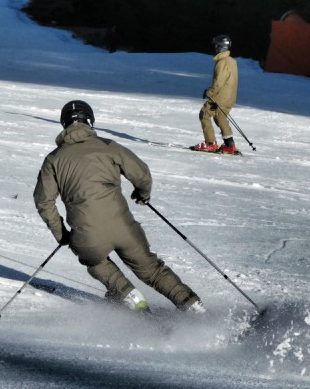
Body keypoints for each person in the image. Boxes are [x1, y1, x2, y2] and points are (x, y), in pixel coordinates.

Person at [33, 100, 205, 313]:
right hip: (124, 227)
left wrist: (62, 235)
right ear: (90, 122)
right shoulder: (109, 146)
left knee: (95, 261)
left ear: (64, 124)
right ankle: (193, 307)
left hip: (87, 234)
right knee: (152, 270)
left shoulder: (53, 159)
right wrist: (142, 195)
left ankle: (130, 297)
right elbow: (141, 174)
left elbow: (43, 200)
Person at [193, 35, 239, 154]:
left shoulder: (222, 62)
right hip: (230, 97)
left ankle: (210, 144)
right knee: (220, 116)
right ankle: (230, 145)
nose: (215, 48)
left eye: (216, 45)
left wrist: (209, 92)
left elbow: (219, 82)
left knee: (205, 113)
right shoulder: (231, 61)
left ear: (220, 47)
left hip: (220, 98)